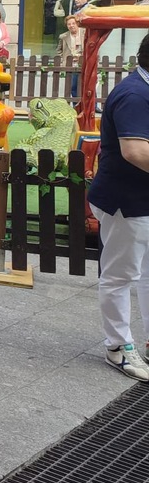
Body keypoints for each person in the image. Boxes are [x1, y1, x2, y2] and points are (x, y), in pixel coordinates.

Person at [90, 34, 149, 380]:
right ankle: (118, 346)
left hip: (139, 200)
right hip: (126, 202)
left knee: (144, 274)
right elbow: (135, 151)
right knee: (120, 275)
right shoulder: (135, 95)